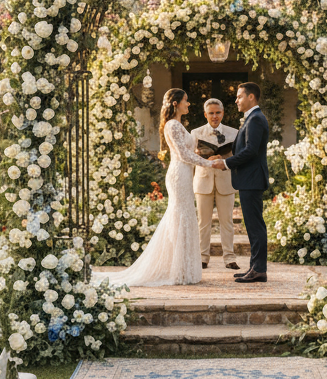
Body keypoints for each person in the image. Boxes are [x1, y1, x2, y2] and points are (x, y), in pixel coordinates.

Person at [98, 89, 211, 287]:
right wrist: (209, 163)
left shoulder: (178, 124)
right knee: (180, 217)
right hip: (179, 174)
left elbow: (186, 151)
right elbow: (183, 155)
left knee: (184, 216)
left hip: (185, 174)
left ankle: (183, 268)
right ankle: (179, 270)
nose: (189, 104)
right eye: (186, 100)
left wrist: (201, 153)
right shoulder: (173, 124)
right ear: (175, 103)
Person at [211, 83, 270, 283]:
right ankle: (254, 267)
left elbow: (251, 150)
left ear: (251, 97)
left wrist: (226, 163)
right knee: (253, 225)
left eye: (239, 96)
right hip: (249, 179)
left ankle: (259, 269)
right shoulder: (252, 118)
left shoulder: (255, 119)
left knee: (255, 226)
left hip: (252, 179)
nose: (236, 100)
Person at [192, 99, 240, 270]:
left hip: (226, 181)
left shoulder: (234, 133)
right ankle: (202, 257)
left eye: (217, 112)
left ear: (223, 113)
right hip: (203, 181)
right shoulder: (195, 133)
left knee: (226, 221)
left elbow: (239, 157)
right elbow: (190, 159)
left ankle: (229, 258)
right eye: (211, 113)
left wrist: (224, 159)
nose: (214, 116)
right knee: (203, 222)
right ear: (205, 115)